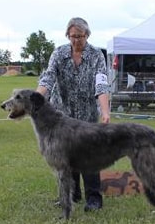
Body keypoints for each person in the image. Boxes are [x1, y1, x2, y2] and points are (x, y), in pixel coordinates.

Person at [36, 17, 111, 211]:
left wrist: (105, 111)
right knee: (66, 156)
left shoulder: (96, 55)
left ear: (87, 35)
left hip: (86, 115)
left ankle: (94, 198)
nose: (76, 40)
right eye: (73, 36)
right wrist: (36, 99)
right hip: (62, 115)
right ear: (67, 35)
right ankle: (72, 194)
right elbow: (48, 78)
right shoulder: (59, 54)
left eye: (80, 36)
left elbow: (101, 84)